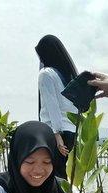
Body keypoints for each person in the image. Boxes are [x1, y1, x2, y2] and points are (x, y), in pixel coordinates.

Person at [35, 34, 78, 178]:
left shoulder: (46, 74)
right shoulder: (64, 76)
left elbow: (51, 105)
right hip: (71, 131)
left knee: (55, 177)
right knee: (62, 176)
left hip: (56, 133)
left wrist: (57, 136)